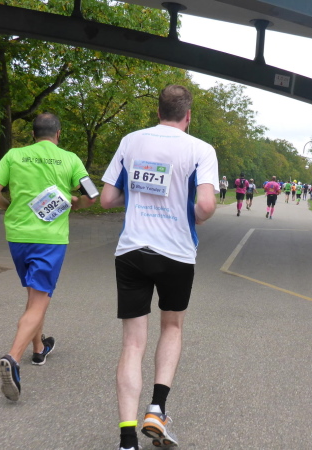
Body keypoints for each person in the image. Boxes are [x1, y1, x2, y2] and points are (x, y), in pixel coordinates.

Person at [100, 85, 218, 450]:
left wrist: (137, 194)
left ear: (158, 111)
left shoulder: (131, 141)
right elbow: (206, 206)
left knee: (132, 343)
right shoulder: (200, 149)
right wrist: (190, 214)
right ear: (188, 116)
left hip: (132, 250)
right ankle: (156, 409)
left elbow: (107, 198)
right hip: (176, 253)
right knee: (172, 327)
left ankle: (126, 439)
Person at [0, 113, 96, 402]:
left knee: (35, 294)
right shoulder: (70, 159)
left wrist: (8, 206)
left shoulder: (15, 155)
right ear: (58, 133)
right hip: (49, 239)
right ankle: (13, 357)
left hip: (18, 236)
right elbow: (92, 194)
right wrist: (76, 203)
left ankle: (39, 349)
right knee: (39, 298)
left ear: (33, 134)